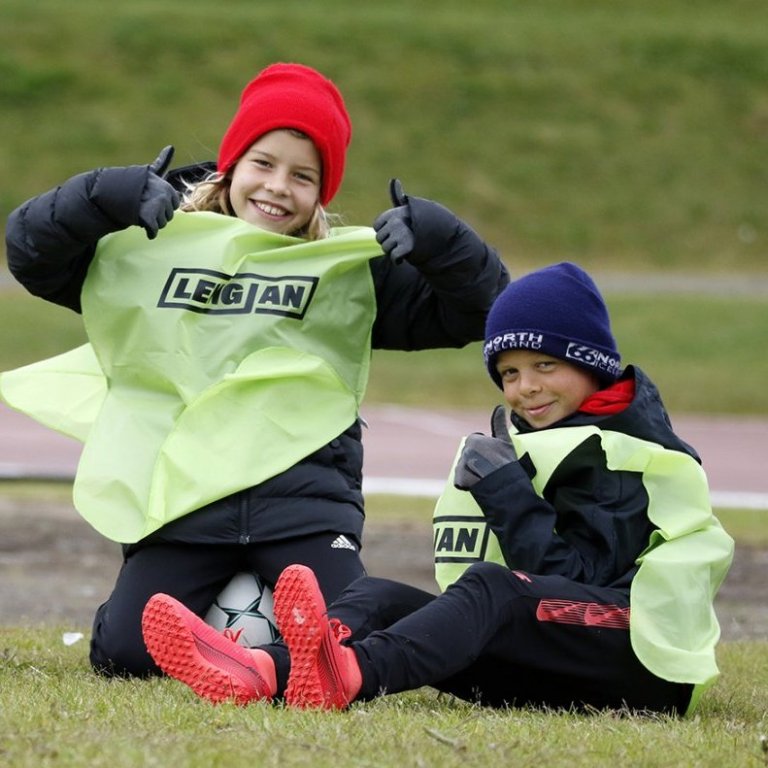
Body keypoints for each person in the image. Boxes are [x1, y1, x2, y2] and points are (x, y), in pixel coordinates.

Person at [1, 62, 509, 678]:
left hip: (305, 509)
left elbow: (485, 310)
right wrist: (106, 195)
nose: (277, 187)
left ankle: (253, 653)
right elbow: (32, 251)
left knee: (350, 628)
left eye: (303, 176)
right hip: (186, 507)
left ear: (323, 191)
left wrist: (440, 240)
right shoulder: (154, 246)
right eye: (263, 164)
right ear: (233, 164)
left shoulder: (343, 273)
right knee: (125, 657)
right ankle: (251, 630)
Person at [140, 262, 734, 716]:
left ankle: (345, 674)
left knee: (491, 591)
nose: (525, 388)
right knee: (378, 596)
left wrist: (505, 488)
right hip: (563, 657)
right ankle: (265, 671)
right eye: (509, 373)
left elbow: (582, 584)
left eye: (545, 366)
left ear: (592, 362)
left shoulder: (628, 456)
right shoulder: (552, 438)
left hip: (641, 664)